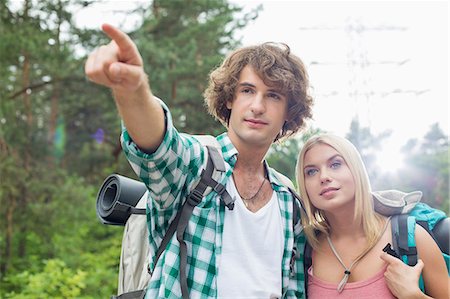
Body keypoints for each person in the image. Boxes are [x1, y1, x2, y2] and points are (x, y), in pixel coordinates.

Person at [85, 24, 314, 298]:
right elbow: (158, 147)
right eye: (247, 91)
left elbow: (294, 290)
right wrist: (133, 90)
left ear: (289, 111)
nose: (257, 106)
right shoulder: (198, 165)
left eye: (273, 95)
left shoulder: (288, 200)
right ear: (230, 99)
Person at [296, 134, 448, 298]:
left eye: (335, 164)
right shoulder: (304, 249)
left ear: (356, 170)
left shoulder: (412, 237)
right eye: (311, 171)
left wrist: (414, 296)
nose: (324, 177)